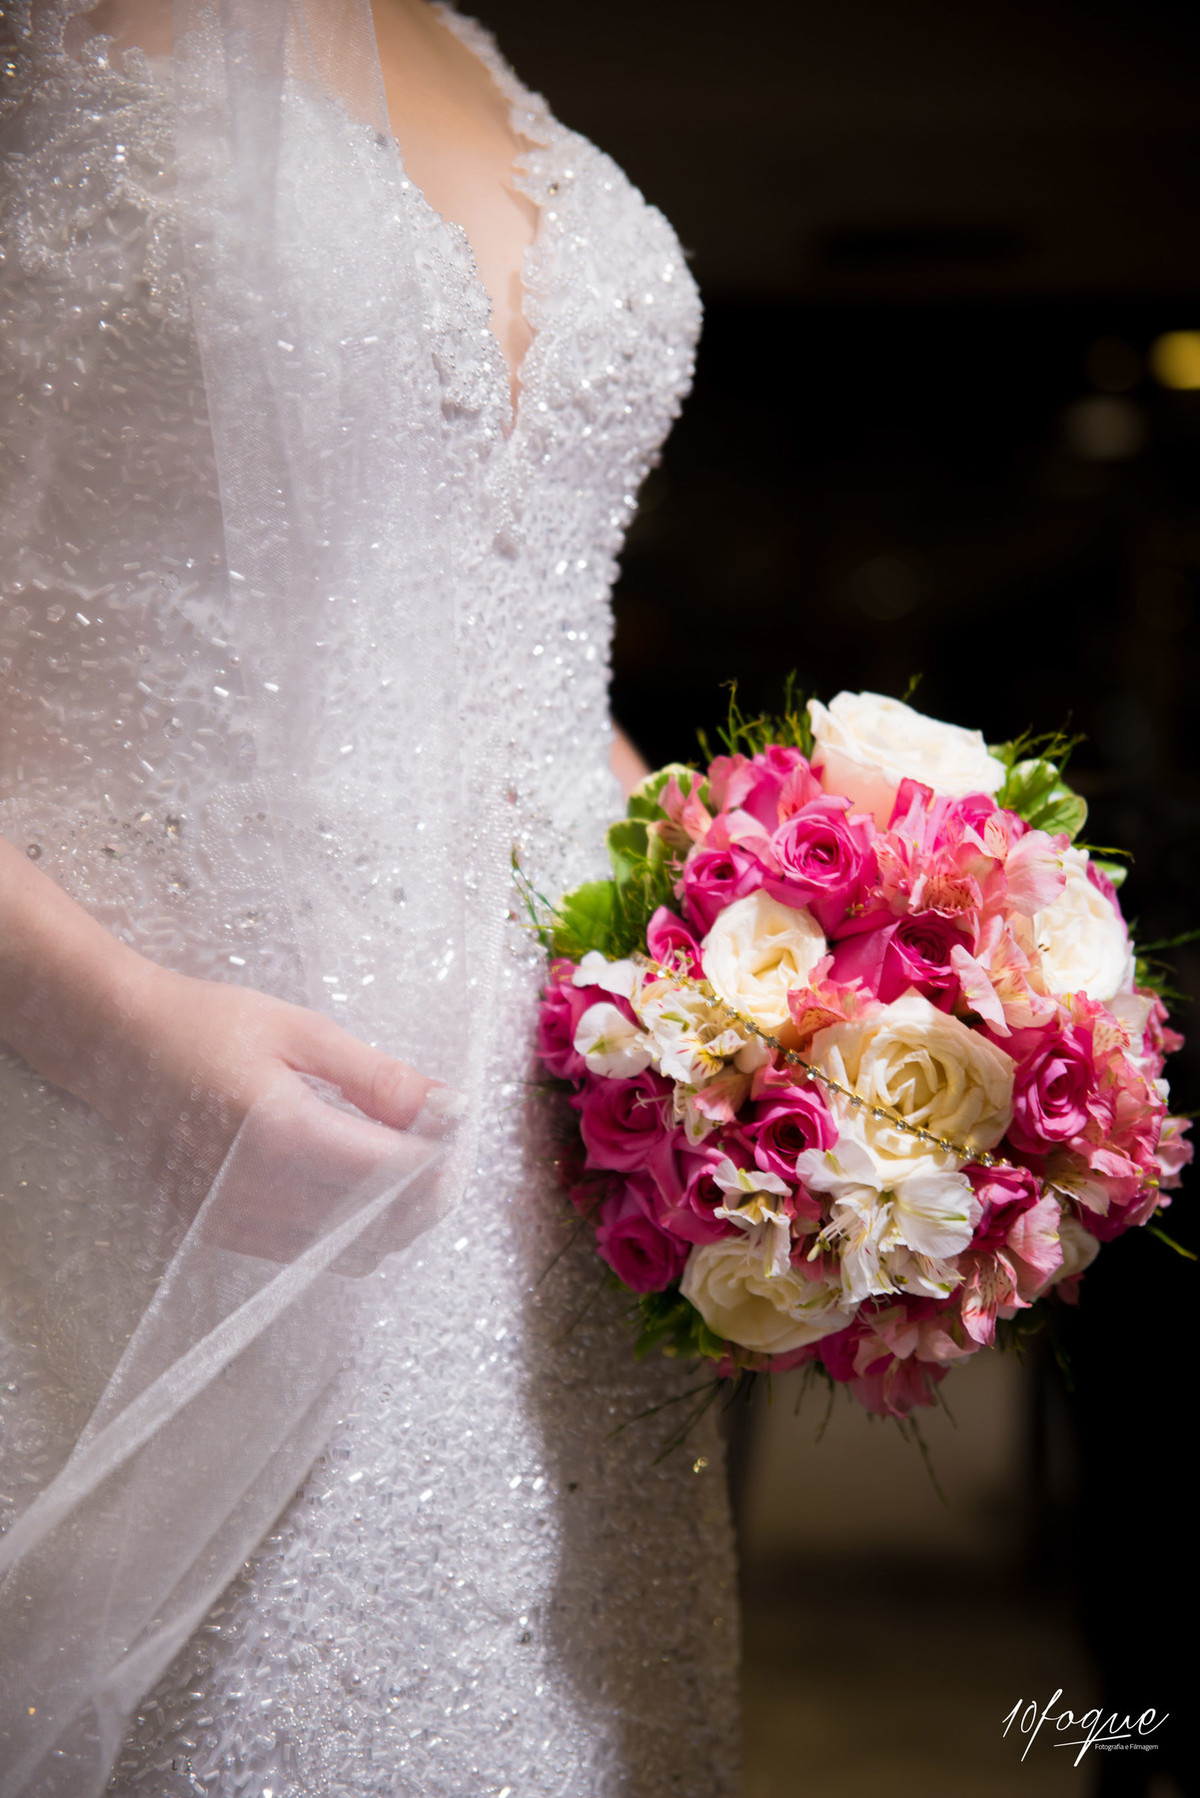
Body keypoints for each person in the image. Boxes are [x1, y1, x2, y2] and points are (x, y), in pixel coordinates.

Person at [0, 2, 740, 1793]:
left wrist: (796, 954)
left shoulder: (458, 40)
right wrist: (111, 1028)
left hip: (551, 1223)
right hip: (139, 1158)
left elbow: (503, 637)